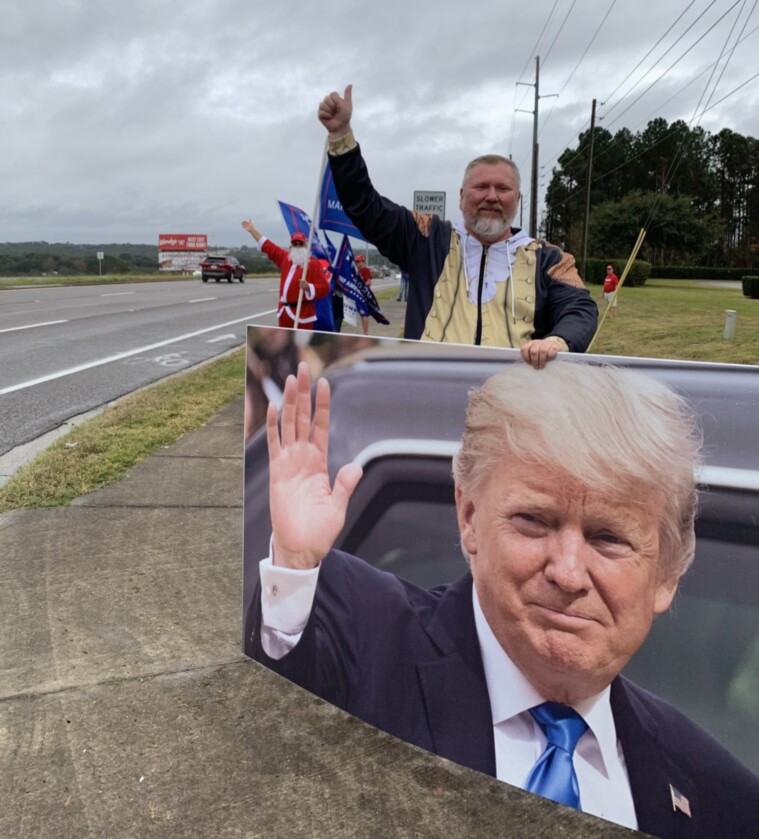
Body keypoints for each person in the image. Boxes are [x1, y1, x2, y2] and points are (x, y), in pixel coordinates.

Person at [247, 360, 758, 837]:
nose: (568, 572)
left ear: (667, 574)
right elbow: (269, 702)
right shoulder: (365, 635)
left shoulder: (721, 795)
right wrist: (295, 565)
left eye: (609, 538)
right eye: (534, 521)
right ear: (468, 517)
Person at [317, 85, 598, 370]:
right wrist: (341, 138)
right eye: (481, 187)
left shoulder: (549, 259)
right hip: (428, 393)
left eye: (502, 188)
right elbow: (365, 205)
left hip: (511, 397)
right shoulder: (426, 237)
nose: (491, 196)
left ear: (517, 199)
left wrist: (557, 341)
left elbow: (580, 309)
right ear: (462, 196)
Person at [241, 221, 330, 329]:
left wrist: (308, 287)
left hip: (302, 314)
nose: (297, 246)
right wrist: (252, 230)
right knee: (284, 344)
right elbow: (269, 247)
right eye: (295, 244)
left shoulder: (313, 264)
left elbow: (325, 287)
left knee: (300, 344)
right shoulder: (286, 258)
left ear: (306, 245)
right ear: (291, 245)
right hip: (284, 314)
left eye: (300, 244)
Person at [355, 254, 373, 335]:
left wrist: (362, 285)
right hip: (359, 295)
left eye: (359, 261)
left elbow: (369, 281)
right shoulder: (356, 271)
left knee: (364, 314)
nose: (357, 263)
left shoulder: (365, 270)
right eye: (356, 261)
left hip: (365, 295)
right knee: (362, 314)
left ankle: (366, 333)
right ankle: (364, 332)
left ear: (363, 261)